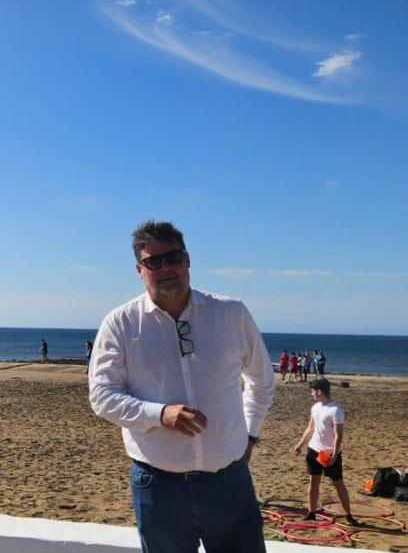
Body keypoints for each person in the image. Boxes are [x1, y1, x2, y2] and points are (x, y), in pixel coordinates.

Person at [88, 220, 275, 553]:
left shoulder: (231, 313)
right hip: (158, 487)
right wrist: (160, 414)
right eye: (153, 261)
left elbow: (261, 380)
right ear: (139, 270)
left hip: (229, 483)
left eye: (172, 257)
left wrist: (250, 434)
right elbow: (102, 396)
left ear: (187, 259)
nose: (165, 267)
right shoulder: (120, 323)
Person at [291, 378, 359, 525]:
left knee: (338, 484)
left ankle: (348, 515)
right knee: (313, 482)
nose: (311, 394)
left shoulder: (336, 411)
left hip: (330, 453)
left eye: (313, 391)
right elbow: (310, 428)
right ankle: (311, 512)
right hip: (314, 449)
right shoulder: (315, 407)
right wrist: (300, 444)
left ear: (319, 391)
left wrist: (334, 455)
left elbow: (338, 436)